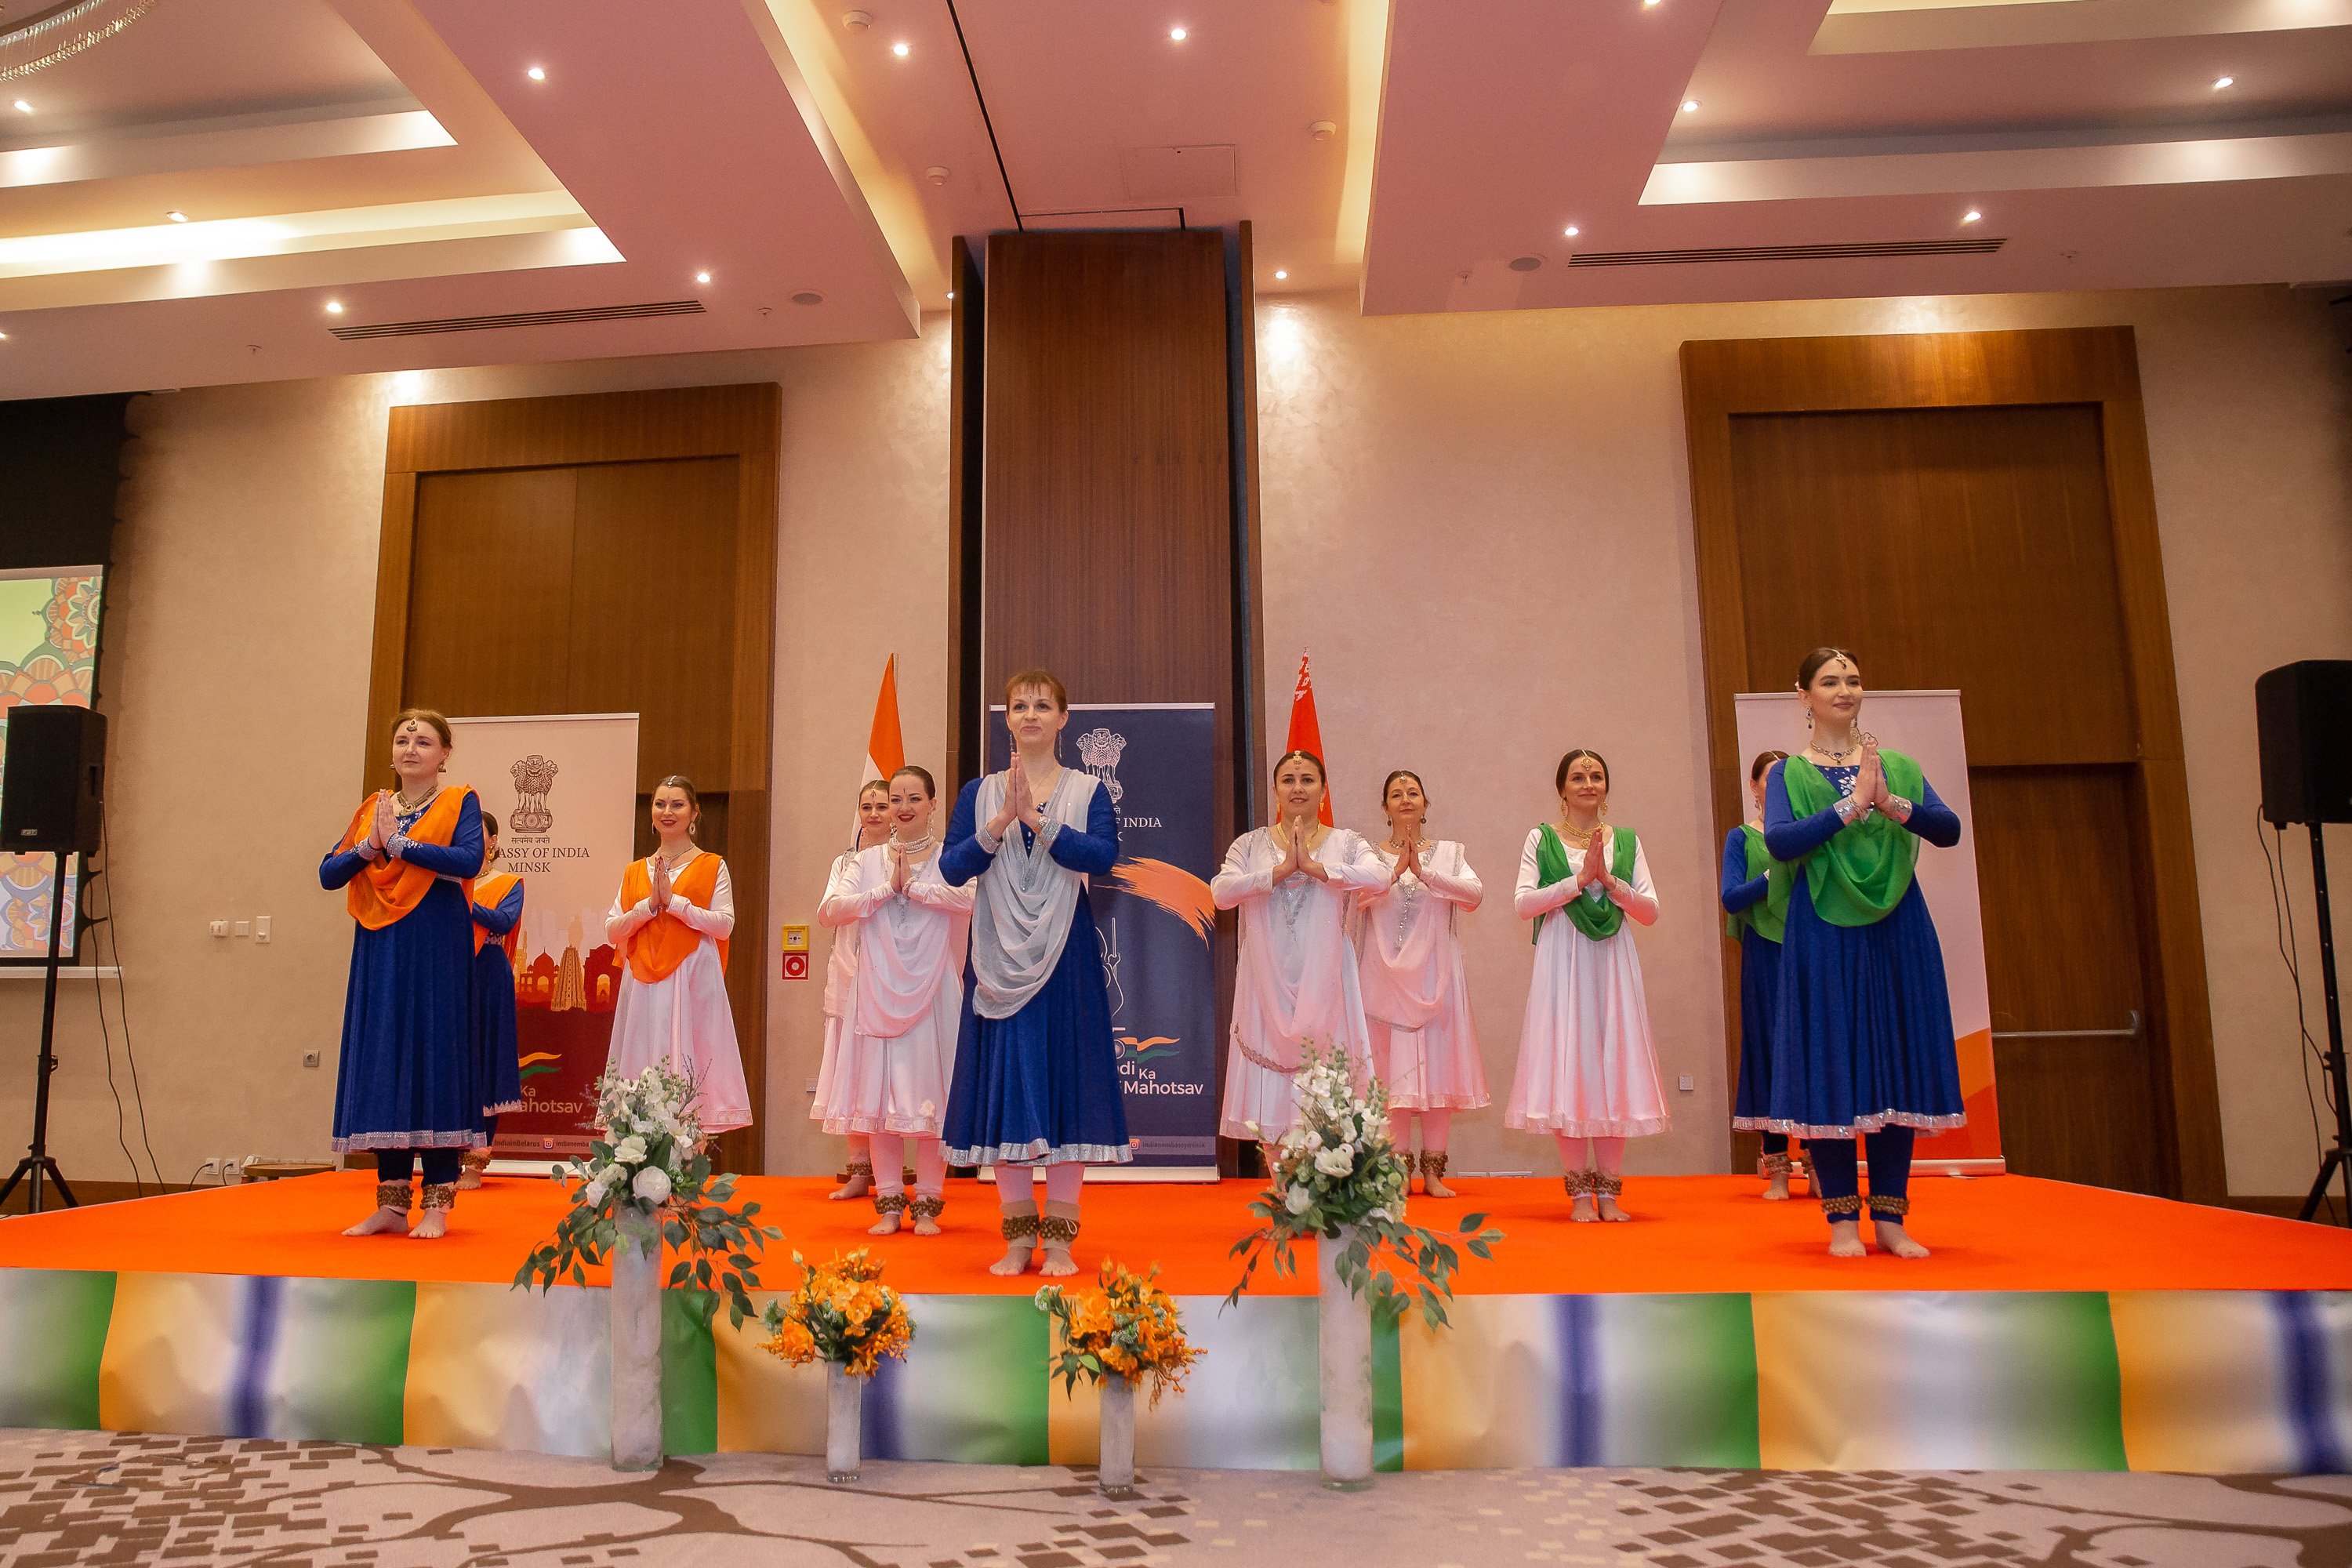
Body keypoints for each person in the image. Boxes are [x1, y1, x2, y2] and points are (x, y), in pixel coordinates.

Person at [1764, 648, 1965, 1258]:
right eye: (1830, 681)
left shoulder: (1896, 765)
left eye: (1852, 679)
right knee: (1832, 1062)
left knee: (1893, 1061)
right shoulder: (1789, 775)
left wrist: (1891, 803)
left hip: (1896, 927)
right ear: (1803, 695)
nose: (1844, 689)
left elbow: (1948, 829)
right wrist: (1850, 807)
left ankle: (1892, 1220)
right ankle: (1843, 1223)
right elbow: (1780, 842)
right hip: (1823, 930)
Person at [939, 670, 1130, 1277]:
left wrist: (1040, 822)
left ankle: (1061, 1242)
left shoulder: (1087, 789)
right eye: (1019, 705)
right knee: (1007, 1092)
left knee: (1068, 1090)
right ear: (1007, 718)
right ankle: (1018, 1238)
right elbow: (951, 868)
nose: (1030, 715)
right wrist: (1002, 820)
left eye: (1042, 706)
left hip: (1065, 958)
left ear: (1062, 719)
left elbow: (1102, 855)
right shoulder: (979, 792)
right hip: (996, 961)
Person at [320, 708, 486, 1239]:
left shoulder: (459, 801)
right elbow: (328, 873)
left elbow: (469, 860)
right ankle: (391, 1205)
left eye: (424, 741)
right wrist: (370, 847)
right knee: (386, 1059)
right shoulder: (374, 809)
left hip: (437, 948)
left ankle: (437, 1203)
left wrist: (402, 846)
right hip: (383, 949)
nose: (410, 748)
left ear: (444, 754)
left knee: (435, 1057)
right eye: (402, 740)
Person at [1506, 749, 1667, 1222]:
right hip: (1562, 961)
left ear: (1606, 786)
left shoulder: (1627, 840)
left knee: (1614, 1063)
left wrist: (1611, 883)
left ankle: (1610, 1195)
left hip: (1613, 961)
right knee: (1570, 1064)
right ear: (1562, 788)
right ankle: (1579, 1194)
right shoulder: (1541, 838)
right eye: (1578, 777)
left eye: (1596, 775)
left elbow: (1650, 911)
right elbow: (1523, 904)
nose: (1588, 784)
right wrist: (1577, 881)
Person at [815, 766, 974, 1236]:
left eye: (914, 799)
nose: (904, 808)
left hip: (934, 991)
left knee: (932, 1099)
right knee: (879, 1100)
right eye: (897, 799)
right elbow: (829, 911)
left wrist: (916, 888)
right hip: (876, 992)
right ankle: (887, 1203)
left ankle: (927, 1204)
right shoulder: (865, 862)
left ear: (932, 804)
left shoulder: (949, 857)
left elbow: (970, 898)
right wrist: (887, 889)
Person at [1214, 750, 1390, 1150]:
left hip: (1327, 982)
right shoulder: (1249, 845)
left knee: (1328, 1088)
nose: (1298, 788)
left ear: (1324, 791)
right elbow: (1221, 892)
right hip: (1266, 981)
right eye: (1289, 780)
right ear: (1275, 790)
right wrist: (1278, 872)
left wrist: (1316, 868)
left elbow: (1380, 878)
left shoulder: (1347, 843)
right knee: (1271, 1093)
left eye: (1308, 780)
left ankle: (1323, 1178)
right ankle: (1281, 1185)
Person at [1353, 769, 1485, 1197]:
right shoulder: (1369, 855)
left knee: (1438, 1073)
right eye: (1396, 794)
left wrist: (1426, 873)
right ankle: (1396, 1174)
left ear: (1426, 804)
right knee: (1391, 1078)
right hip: (1383, 979)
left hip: (1436, 976)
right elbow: (1356, 899)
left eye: (1413, 792)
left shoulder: (1449, 853)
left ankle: (1433, 1173)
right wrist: (1394, 873)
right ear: (1385, 807)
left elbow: (1473, 895)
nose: (1406, 799)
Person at [604, 776, 753, 1135]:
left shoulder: (712, 865)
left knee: (691, 1059)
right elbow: (612, 930)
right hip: (643, 980)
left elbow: (724, 925)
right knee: (643, 1061)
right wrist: (648, 906)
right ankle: (642, 1149)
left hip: (692, 977)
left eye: (677, 804)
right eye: (660, 804)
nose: (667, 812)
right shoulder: (634, 871)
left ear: (694, 813)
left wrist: (676, 904)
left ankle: (687, 1151)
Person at [1722, 751, 1802, 1201]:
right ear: (1753, 787)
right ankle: (1776, 1168)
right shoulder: (1742, 838)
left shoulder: (1809, 832)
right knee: (1771, 1050)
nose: (1779, 786)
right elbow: (1732, 898)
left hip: (1811, 947)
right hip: (1766, 955)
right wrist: (1772, 876)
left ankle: (1820, 1163)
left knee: (1814, 1050)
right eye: (1770, 779)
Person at [820, 781, 896, 1200]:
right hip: (849, 975)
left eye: (882, 806)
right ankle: (860, 1170)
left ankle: (893, 1171)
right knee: (849, 1077)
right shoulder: (845, 862)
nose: (873, 814)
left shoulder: (905, 858)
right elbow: (829, 911)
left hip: (893, 981)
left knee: (890, 1078)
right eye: (866, 806)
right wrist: (873, 896)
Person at [458, 813, 526, 1190]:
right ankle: (442, 1160)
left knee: (485, 1060)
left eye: (477, 833)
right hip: (449, 974)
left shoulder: (508, 884)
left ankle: (474, 1163)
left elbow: (503, 921)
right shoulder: (445, 881)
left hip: (488, 976)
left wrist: (464, 902)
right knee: (449, 1063)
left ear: (494, 841)